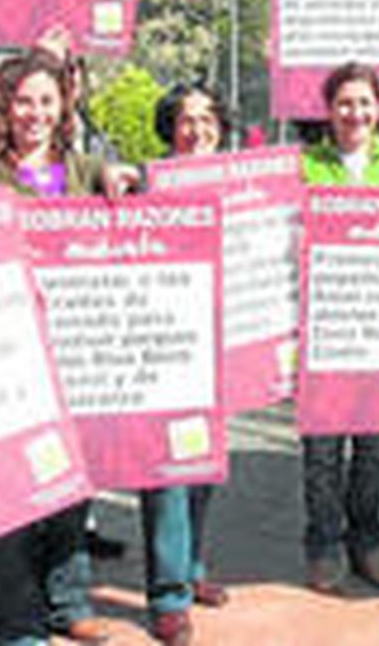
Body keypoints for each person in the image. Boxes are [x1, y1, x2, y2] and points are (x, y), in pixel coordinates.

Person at [0, 50, 119, 646]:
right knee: (8, 495)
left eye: (47, 101)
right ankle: (19, 619)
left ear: (63, 107)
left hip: (76, 353)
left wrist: (118, 178)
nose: (35, 113)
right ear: (6, 106)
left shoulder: (86, 170)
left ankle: (68, 598)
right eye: (24, 100)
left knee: (72, 486)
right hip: (7, 353)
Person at [300, 63, 379, 593]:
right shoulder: (303, 167)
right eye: (345, 103)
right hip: (324, 329)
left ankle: (367, 541)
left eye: (364, 103)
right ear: (329, 110)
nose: (355, 113)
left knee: (374, 450)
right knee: (323, 451)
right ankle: (325, 544)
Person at [137, 84, 234, 645]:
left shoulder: (242, 185)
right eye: (184, 120)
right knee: (168, 471)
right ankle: (168, 595)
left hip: (222, 343)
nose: (196, 129)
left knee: (203, 468)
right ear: (169, 128)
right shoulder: (150, 182)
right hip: (168, 342)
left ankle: (193, 567)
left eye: (206, 118)